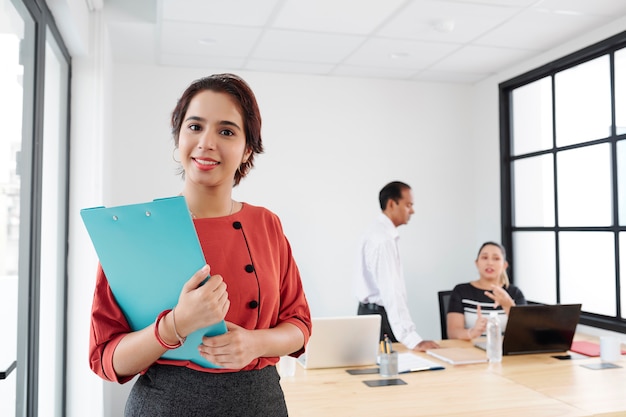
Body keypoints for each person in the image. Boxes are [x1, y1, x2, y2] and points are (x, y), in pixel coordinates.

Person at [88, 73, 312, 417]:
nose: (207, 142)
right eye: (195, 127)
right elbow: (105, 357)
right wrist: (175, 324)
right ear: (178, 138)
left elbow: (299, 326)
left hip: (260, 403)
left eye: (226, 131)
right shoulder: (135, 230)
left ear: (247, 148)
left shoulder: (267, 224)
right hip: (166, 405)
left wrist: (254, 343)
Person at [354, 181, 440, 352]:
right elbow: (391, 291)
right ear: (392, 204)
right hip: (380, 321)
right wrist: (411, 338)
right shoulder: (383, 239)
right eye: (408, 205)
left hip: (371, 316)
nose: (412, 211)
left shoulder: (377, 232)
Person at [447, 241, 526, 340]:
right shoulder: (461, 291)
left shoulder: (515, 293)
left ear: (504, 266)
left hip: (504, 352)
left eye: (496, 258)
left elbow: (526, 332)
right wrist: (472, 332)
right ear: (477, 263)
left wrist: (508, 305)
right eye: (484, 258)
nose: (490, 263)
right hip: (469, 351)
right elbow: (452, 333)